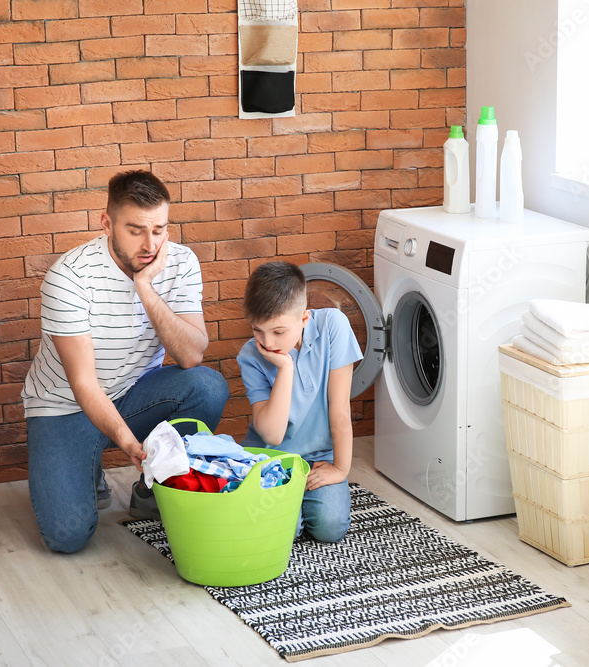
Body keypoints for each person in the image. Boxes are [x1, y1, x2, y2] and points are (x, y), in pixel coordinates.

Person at [21, 170, 228, 553]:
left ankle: (154, 487)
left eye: (159, 230)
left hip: (134, 395)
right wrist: (127, 442)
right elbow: (83, 384)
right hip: (65, 408)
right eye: (135, 231)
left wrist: (145, 287)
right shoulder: (69, 277)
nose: (150, 244)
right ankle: (87, 466)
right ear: (107, 223)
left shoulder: (180, 262)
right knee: (67, 537)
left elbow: (191, 355)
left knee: (207, 387)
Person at [236, 261, 363, 542]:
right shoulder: (251, 356)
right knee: (287, 532)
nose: (267, 342)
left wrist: (340, 469)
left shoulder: (333, 326)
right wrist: (285, 368)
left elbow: (340, 409)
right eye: (258, 330)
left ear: (304, 318)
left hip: (320, 457)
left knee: (330, 528)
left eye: (278, 332)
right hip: (271, 458)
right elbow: (272, 435)